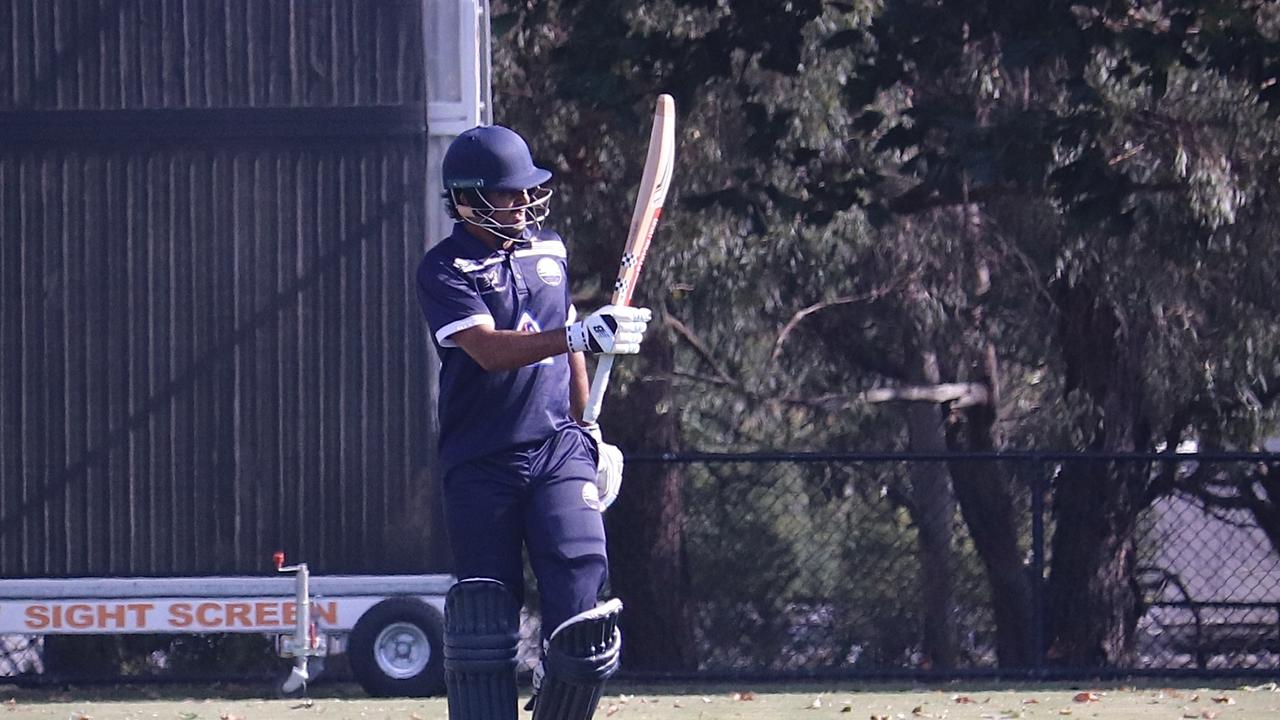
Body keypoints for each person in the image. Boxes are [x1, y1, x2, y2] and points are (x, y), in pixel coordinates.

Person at [416, 124, 650, 720]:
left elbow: (567, 337)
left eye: (527, 192)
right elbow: (490, 351)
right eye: (509, 193)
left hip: (556, 448)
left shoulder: (551, 250)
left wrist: (588, 429)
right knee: (484, 624)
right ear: (467, 201)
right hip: (481, 459)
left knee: (582, 618)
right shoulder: (444, 268)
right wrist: (575, 332)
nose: (523, 203)